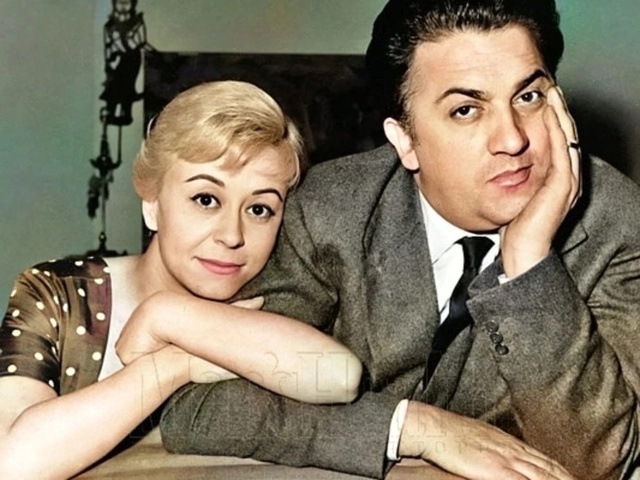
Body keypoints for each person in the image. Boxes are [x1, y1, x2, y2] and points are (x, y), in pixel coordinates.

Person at [157, 1, 640, 480]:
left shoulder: (617, 222)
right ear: (405, 140)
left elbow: (597, 459)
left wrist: (529, 265)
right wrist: (413, 427)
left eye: (528, 97)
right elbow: (200, 406)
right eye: (466, 110)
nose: (512, 140)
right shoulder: (329, 211)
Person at [0, 81, 362, 480]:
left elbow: (340, 377)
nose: (232, 236)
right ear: (152, 203)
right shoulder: (60, 293)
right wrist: (175, 363)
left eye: (259, 209)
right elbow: (12, 464)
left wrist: (168, 317)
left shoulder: (274, 292)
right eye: (206, 199)